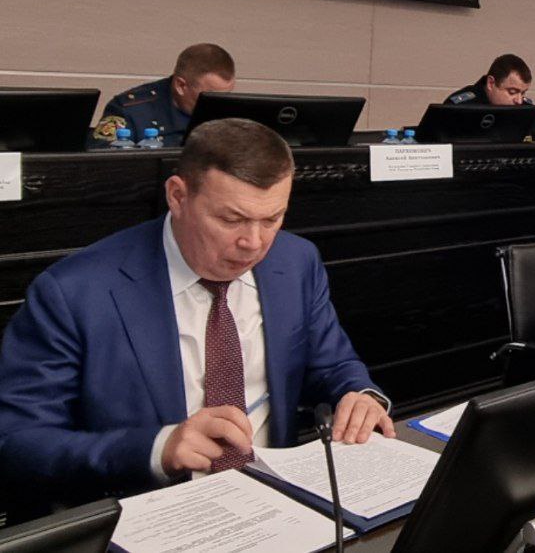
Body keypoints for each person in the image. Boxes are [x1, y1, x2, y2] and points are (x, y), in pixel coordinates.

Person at [0, 119, 393, 512]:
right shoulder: (75, 292)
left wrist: (359, 395)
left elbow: (333, 364)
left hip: (278, 500)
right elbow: (17, 440)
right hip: (148, 510)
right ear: (177, 196)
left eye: (272, 219)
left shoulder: (296, 261)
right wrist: (158, 448)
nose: (254, 243)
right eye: (231, 219)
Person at [94, 43, 236, 146]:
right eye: (210, 97)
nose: (219, 104)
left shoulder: (233, 112)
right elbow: (102, 167)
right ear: (181, 86)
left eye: (226, 96)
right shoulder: (129, 111)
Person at [445, 53, 535, 141]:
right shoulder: (460, 107)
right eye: (512, 92)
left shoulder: (525, 110)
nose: (519, 100)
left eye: (523, 93)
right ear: (491, 83)